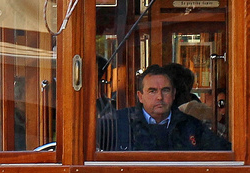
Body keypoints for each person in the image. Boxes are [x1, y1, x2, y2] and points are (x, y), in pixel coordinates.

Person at [97, 65, 230, 151]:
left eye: (165, 90)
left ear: (173, 94)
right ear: (140, 96)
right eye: (152, 91)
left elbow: (224, 154)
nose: (160, 97)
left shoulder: (191, 126)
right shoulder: (116, 123)